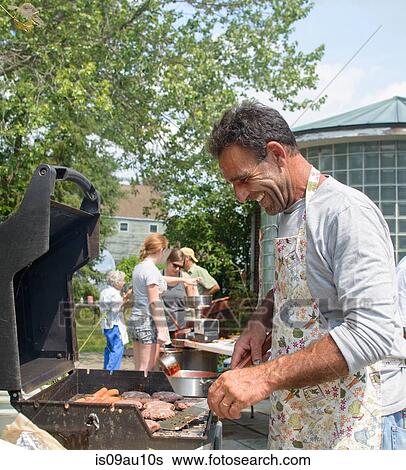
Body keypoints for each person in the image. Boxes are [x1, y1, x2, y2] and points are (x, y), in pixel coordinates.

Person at [206, 101, 406, 450]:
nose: (240, 196)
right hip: (298, 420)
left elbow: (374, 332)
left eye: (243, 179)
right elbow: (293, 291)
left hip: (356, 424)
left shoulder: (345, 213)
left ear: (276, 154)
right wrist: (259, 321)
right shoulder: (287, 212)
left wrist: (264, 377)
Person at [127, 234, 171, 373]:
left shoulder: (139, 268)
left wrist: (184, 280)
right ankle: (139, 395)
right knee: (147, 369)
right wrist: (163, 330)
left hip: (136, 320)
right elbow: (153, 302)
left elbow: (159, 280)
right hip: (147, 322)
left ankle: (134, 394)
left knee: (139, 368)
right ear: (161, 250)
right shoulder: (151, 270)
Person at [161, 248, 198, 338]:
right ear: (168, 261)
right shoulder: (158, 276)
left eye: (180, 267)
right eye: (175, 265)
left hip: (181, 328)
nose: (177, 269)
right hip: (162, 328)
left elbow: (192, 304)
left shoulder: (186, 278)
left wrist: (192, 325)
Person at [99, 270, 129, 371]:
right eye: (122, 280)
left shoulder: (104, 291)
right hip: (115, 324)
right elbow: (116, 308)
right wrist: (125, 299)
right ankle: (111, 372)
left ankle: (106, 369)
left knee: (109, 348)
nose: (124, 282)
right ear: (116, 282)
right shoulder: (114, 294)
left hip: (106, 325)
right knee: (117, 348)